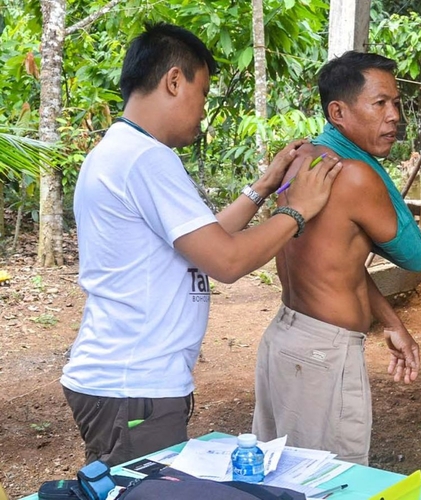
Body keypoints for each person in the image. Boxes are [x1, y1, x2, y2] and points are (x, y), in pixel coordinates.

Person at [60, 22, 342, 466]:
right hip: (132, 387)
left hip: (127, 384)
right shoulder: (145, 158)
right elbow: (226, 262)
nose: (203, 110)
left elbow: (208, 238)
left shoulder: (124, 151)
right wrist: (298, 210)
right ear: (174, 80)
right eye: (203, 94)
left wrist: (264, 186)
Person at [251, 51, 421, 465]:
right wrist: (376, 173)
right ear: (338, 112)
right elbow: (414, 255)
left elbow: (338, 263)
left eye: (396, 103)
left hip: (285, 340)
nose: (394, 116)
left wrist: (392, 322)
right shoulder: (355, 175)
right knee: (332, 485)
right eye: (380, 102)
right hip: (322, 356)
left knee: (282, 481)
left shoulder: (301, 159)